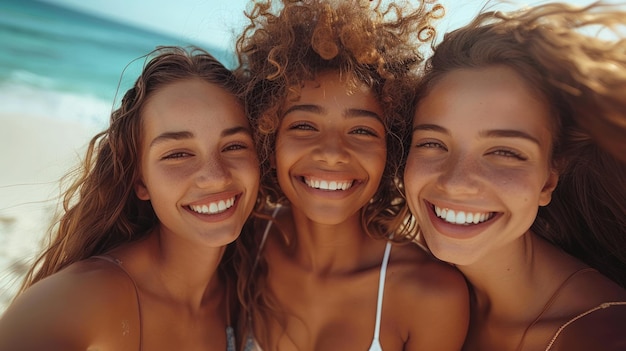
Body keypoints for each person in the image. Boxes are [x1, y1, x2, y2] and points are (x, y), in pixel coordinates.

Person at [234, 0, 469, 350]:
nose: (331, 153)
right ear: (269, 141)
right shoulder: (246, 244)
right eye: (303, 125)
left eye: (361, 131)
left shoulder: (431, 294)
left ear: (392, 151)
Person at [0, 46, 260, 351]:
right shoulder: (83, 297)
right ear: (140, 181)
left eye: (234, 146)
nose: (216, 176)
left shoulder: (248, 287)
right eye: (177, 154)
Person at [403, 2, 626, 350]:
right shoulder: (403, 292)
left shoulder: (605, 336)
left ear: (549, 178)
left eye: (505, 152)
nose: (455, 181)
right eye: (433, 143)